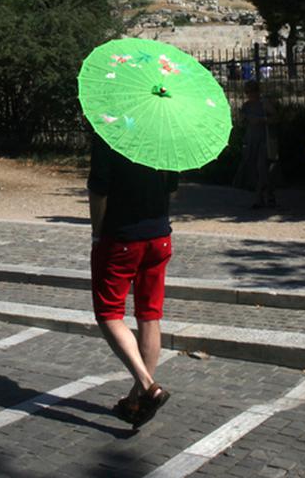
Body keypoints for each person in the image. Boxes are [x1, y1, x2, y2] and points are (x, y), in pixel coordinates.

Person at [88, 136, 177, 429]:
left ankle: (148, 386)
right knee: (149, 316)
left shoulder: (109, 132)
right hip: (160, 235)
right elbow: (171, 186)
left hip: (122, 237)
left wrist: (97, 235)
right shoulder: (165, 133)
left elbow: (99, 191)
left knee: (109, 314)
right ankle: (136, 401)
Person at [233, 80, 278, 208]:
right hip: (251, 140)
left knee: (262, 168)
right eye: (247, 92)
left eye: (252, 91)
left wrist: (261, 120)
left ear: (257, 92)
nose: (250, 94)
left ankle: (258, 198)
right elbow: (241, 123)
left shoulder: (264, 104)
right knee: (255, 170)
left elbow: (276, 118)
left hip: (264, 140)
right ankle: (269, 195)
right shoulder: (246, 106)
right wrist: (244, 120)